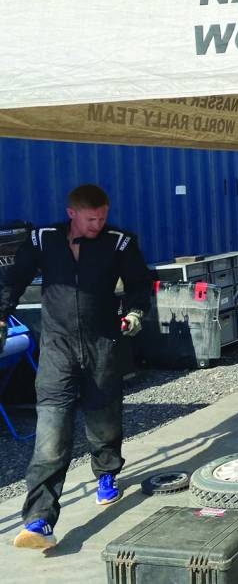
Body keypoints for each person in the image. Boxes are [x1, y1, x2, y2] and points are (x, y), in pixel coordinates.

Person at [0, 184, 152, 550]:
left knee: (104, 418)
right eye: (91, 219)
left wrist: (134, 312)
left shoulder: (120, 241)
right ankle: (38, 520)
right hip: (57, 349)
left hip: (103, 346)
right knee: (51, 435)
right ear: (72, 213)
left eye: (102, 217)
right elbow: (13, 279)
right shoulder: (43, 239)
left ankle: (106, 473)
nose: (98, 224)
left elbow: (139, 282)